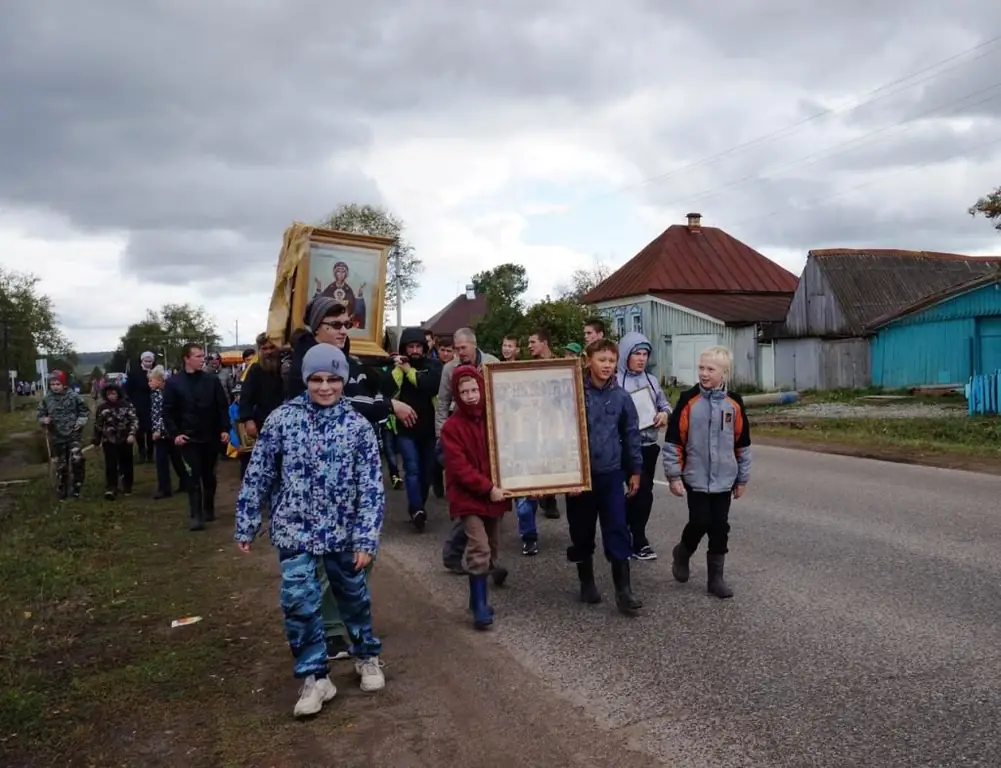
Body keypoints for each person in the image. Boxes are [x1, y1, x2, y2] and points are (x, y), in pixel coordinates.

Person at [235, 343, 386, 718]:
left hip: (344, 533)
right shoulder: (282, 420)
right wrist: (247, 521)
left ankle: (366, 655)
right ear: (305, 380)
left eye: (333, 379)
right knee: (299, 604)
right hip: (295, 532)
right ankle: (315, 676)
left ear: (343, 381)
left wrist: (366, 537)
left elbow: (371, 487)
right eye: (317, 379)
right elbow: (260, 473)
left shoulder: (357, 427)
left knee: (353, 598)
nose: (324, 387)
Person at [662, 346, 751, 600]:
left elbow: (742, 443)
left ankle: (716, 579)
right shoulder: (689, 400)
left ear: (724, 373)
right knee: (700, 521)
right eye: (701, 368)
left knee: (720, 527)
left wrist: (742, 478)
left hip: (724, 479)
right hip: (696, 476)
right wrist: (674, 475)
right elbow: (673, 441)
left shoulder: (734, 403)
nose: (704, 373)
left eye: (710, 369)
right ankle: (683, 552)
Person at [566, 339, 643, 615]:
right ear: (588, 360)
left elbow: (631, 434)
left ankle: (624, 591)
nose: (607, 365)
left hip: (611, 474)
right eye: (602, 359)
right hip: (580, 476)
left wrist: (635, 470)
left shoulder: (622, 398)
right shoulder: (573, 393)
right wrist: (566, 476)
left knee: (618, 529)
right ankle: (586, 581)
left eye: (611, 360)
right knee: (582, 531)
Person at [440, 365, 510, 629]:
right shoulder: (452, 427)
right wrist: (487, 487)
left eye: (473, 389)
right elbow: (459, 468)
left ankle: (475, 597)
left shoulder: (495, 419)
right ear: (456, 394)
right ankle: (480, 607)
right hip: (469, 496)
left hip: (494, 494)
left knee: (491, 546)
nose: (470, 395)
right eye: (464, 391)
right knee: (479, 546)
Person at [436, 328, 499, 572]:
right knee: (468, 505)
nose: (458, 352)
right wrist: (440, 436)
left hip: (485, 427)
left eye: (462, 348)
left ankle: (490, 565)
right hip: (460, 431)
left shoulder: (492, 363)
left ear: (473, 346)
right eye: (455, 348)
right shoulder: (449, 368)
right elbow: (442, 402)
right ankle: (455, 556)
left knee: (486, 514)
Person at [616, 332, 672, 560]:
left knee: (641, 492)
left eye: (645, 354)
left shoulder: (651, 380)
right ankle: (639, 540)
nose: (641, 359)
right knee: (641, 493)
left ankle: (629, 532)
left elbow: (664, 404)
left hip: (649, 444)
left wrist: (664, 414)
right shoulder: (616, 381)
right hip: (625, 447)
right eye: (636, 354)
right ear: (625, 356)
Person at [163, 343, 231, 531]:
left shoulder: (211, 381)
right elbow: (167, 412)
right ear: (187, 358)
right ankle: (196, 515)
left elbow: (222, 407)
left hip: (210, 436)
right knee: (193, 476)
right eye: (198, 356)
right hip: (188, 438)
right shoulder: (174, 383)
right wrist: (175, 434)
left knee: (208, 475)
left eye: (203, 356)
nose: (203, 359)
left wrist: (225, 429)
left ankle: (208, 507)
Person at [388, 327, 442, 531]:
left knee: (426, 473)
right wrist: (397, 370)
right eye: (411, 346)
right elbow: (390, 391)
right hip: (406, 429)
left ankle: (417, 506)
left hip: (428, 429)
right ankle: (418, 510)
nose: (415, 350)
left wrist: (409, 370)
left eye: (418, 346)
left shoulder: (433, 366)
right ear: (404, 348)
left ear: (425, 348)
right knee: (412, 469)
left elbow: (429, 386)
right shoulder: (398, 368)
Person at [36, 370, 89, 499]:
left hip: (73, 433)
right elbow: (40, 414)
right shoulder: (47, 399)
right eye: (52, 384)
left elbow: (84, 410)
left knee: (77, 459)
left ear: (64, 384)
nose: (55, 386)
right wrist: (44, 420)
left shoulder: (73, 396)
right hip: (57, 436)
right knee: (62, 464)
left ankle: (77, 486)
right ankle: (62, 488)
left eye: (58, 384)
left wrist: (81, 421)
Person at [237, 334, 284, 479]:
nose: (269, 351)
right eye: (264, 348)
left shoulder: (286, 368)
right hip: (263, 423)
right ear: (260, 351)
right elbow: (245, 398)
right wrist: (248, 420)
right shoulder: (255, 370)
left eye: (272, 347)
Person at [92, 381, 139, 500]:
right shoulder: (102, 408)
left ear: (118, 393)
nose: (111, 396)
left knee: (127, 463)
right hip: (109, 440)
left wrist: (132, 434)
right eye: (109, 394)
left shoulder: (127, 405)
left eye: (113, 393)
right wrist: (96, 439)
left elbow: (134, 420)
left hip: (125, 439)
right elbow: (98, 425)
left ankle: (127, 485)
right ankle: (111, 487)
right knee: (111, 464)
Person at [148, 365, 190, 499]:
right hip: (163, 432)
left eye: (151, 380)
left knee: (167, 460)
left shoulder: (163, 396)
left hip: (166, 433)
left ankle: (168, 487)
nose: (149, 383)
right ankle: (178, 484)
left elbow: (163, 414)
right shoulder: (154, 395)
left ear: (160, 381)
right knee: (170, 459)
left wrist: (158, 430)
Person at [124, 350, 156, 463]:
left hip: (153, 404)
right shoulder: (134, 373)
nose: (148, 363)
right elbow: (127, 389)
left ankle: (151, 454)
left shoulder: (155, 372)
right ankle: (142, 452)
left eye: (150, 361)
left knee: (151, 430)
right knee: (140, 431)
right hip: (138, 405)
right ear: (142, 361)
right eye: (146, 361)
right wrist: (130, 402)